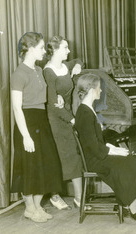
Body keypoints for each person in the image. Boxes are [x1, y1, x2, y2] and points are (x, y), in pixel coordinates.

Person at [73, 73, 136, 223]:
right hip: (95, 160)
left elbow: (94, 142)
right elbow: (92, 146)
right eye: (99, 88)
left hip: (97, 155)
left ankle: (128, 204)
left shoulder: (86, 109)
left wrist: (113, 148)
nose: (100, 91)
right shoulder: (85, 113)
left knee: (133, 161)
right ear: (92, 90)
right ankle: (132, 209)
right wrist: (114, 151)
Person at [11, 32, 62, 223]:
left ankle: (38, 206)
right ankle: (30, 209)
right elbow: (17, 107)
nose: (44, 51)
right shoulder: (19, 73)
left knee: (47, 165)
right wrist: (26, 135)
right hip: (27, 123)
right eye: (41, 48)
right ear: (31, 49)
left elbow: (43, 96)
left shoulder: (39, 71)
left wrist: (59, 98)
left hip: (42, 121)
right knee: (30, 168)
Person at [43, 35, 84, 210]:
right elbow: (53, 106)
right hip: (56, 119)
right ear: (56, 50)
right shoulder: (48, 72)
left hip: (67, 114)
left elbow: (79, 59)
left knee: (73, 157)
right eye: (65, 48)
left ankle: (78, 198)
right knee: (61, 158)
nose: (68, 51)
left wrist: (77, 65)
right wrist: (72, 119)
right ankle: (55, 195)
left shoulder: (64, 66)